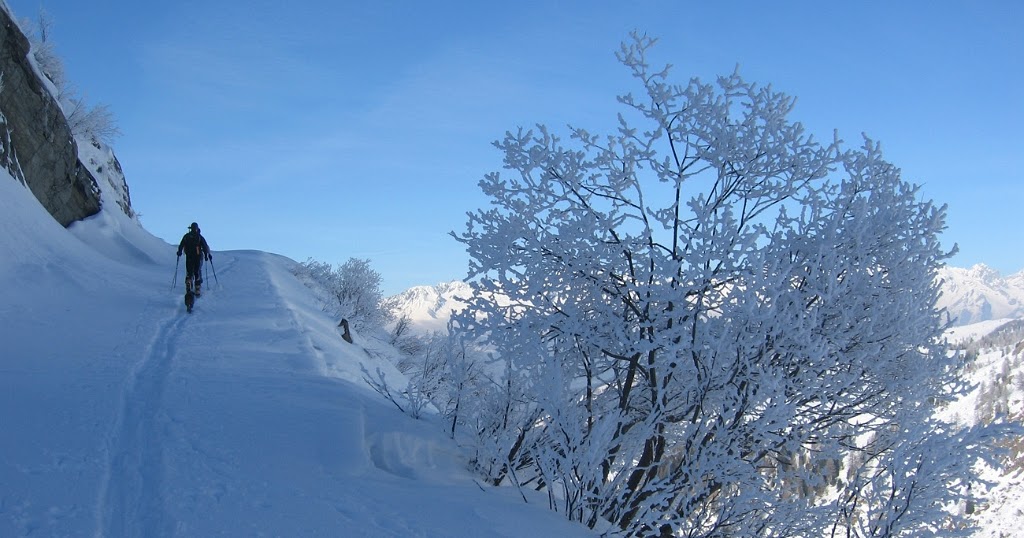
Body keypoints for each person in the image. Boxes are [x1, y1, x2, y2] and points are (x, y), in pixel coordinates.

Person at [177, 222, 212, 305]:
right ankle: (197, 288)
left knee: (189, 271)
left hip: (189, 256)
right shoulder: (199, 237)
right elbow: (205, 246)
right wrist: (207, 255)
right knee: (197, 271)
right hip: (198, 256)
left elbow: (181, 244)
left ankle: (188, 282)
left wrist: (179, 252)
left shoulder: (186, 236)